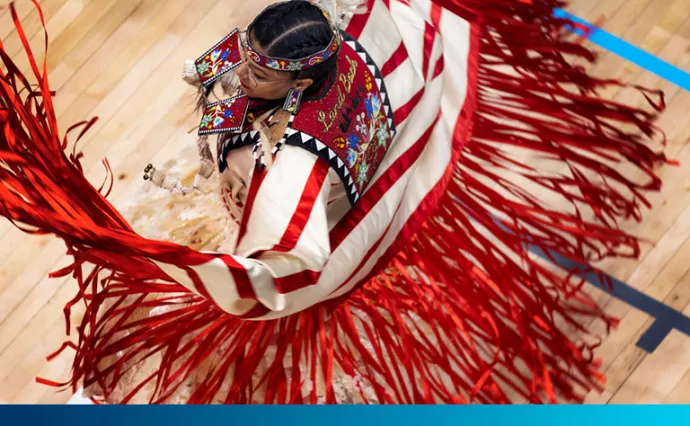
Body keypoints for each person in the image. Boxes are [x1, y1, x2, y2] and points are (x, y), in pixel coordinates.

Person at [0, 0, 668, 404]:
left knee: (239, 355)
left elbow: (277, 274)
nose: (239, 68)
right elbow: (218, 70)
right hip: (250, 197)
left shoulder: (298, 165)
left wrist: (151, 252)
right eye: (248, 54)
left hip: (282, 253)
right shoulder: (303, 43)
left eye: (257, 69)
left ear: (300, 79)